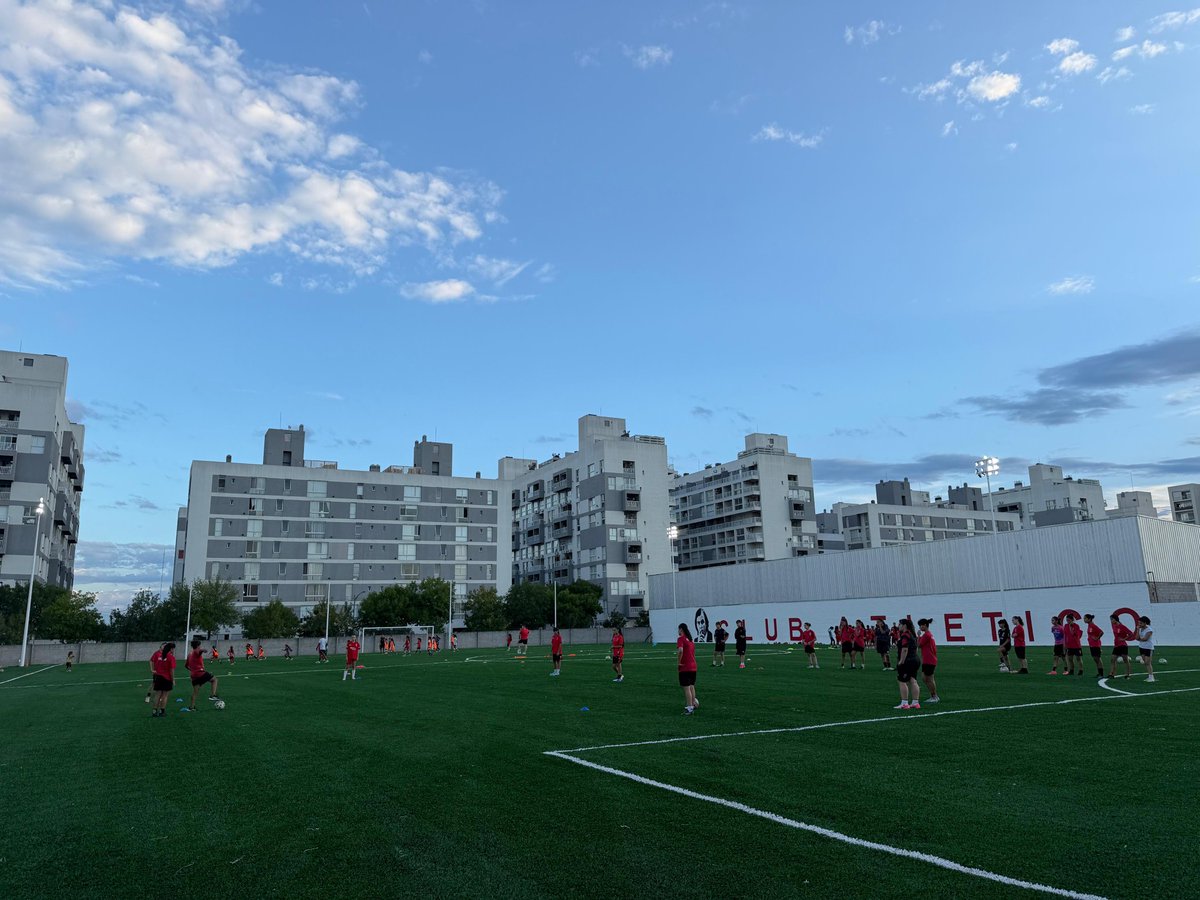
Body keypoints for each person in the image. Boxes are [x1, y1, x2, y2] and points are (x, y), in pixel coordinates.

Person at [186, 638, 220, 710]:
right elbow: (199, 652)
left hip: (194, 675)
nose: (200, 647)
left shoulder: (189, 654)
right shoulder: (196, 652)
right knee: (214, 680)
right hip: (199, 673)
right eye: (200, 645)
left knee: (195, 692)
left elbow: (186, 666)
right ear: (198, 646)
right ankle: (212, 695)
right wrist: (203, 650)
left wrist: (192, 670)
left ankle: (191, 707)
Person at [893, 620, 921, 711]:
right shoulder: (912, 634)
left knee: (902, 681)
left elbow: (905, 649)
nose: (898, 626)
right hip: (915, 660)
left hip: (907, 661)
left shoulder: (905, 635)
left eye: (900, 624)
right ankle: (915, 702)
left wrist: (901, 661)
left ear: (904, 625)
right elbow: (916, 648)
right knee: (913, 680)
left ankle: (904, 703)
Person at [677, 623, 699, 715]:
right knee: (691, 686)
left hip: (685, 666)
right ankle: (693, 703)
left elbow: (680, 650)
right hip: (693, 666)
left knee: (686, 688)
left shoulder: (681, 639)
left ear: (681, 629)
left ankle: (689, 707)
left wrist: (679, 661)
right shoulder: (690, 640)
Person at [150, 642, 177, 718]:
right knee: (165, 696)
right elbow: (171, 670)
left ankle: (154, 711)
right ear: (171, 649)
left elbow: (156, 667)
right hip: (166, 678)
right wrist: (173, 680)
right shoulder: (171, 657)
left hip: (158, 677)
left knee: (157, 695)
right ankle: (162, 712)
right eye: (173, 649)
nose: (174, 650)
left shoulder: (160, 656)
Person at [917, 618, 939, 703]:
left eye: (921, 625)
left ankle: (934, 696)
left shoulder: (926, 635)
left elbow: (919, 645)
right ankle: (934, 695)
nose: (920, 627)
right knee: (926, 678)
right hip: (929, 659)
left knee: (928, 678)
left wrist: (918, 635)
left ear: (925, 625)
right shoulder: (929, 634)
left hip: (929, 659)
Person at [1108, 614, 1134, 679]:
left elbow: (1131, 633)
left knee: (1125, 660)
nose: (1111, 621)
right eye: (1110, 619)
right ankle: (1111, 674)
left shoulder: (1122, 626)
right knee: (1112, 660)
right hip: (1116, 645)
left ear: (1116, 619)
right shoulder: (1113, 626)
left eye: (1112, 619)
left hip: (1123, 645)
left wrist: (1124, 639)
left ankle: (1127, 674)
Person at [1135, 616, 1156, 683]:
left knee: (1148, 662)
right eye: (1139, 623)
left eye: (1141, 623)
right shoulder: (1140, 629)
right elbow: (1136, 637)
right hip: (1141, 647)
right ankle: (1149, 676)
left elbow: (1145, 639)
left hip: (1148, 647)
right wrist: (1137, 630)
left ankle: (1151, 677)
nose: (1139, 624)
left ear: (1145, 623)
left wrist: (1139, 639)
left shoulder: (1149, 630)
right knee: (1145, 662)